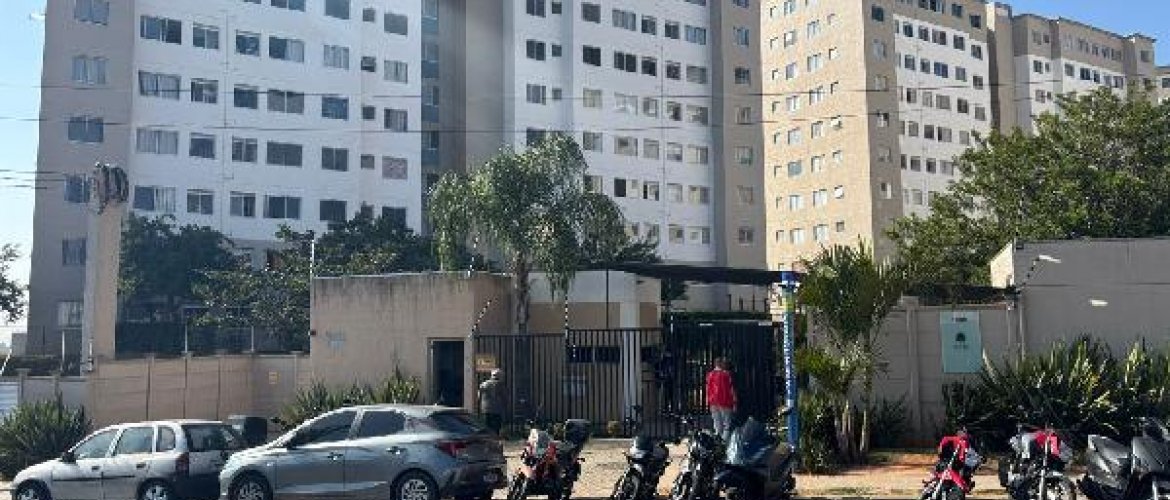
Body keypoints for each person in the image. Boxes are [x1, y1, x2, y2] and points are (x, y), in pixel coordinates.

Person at [706, 357, 737, 440]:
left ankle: (718, 441)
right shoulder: (726, 375)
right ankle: (724, 442)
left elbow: (708, 389)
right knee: (727, 424)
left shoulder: (710, 374)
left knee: (717, 424)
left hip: (713, 402)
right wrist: (734, 402)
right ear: (721, 364)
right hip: (725, 401)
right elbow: (731, 389)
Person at [478, 369, 504, 435]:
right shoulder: (500, 385)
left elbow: (479, 396)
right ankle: (495, 437)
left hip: (485, 409)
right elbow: (504, 396)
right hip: (497, 409)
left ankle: (487, 437)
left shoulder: (483, 384)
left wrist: (480, 406)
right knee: (496, 427)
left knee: (487, 425)